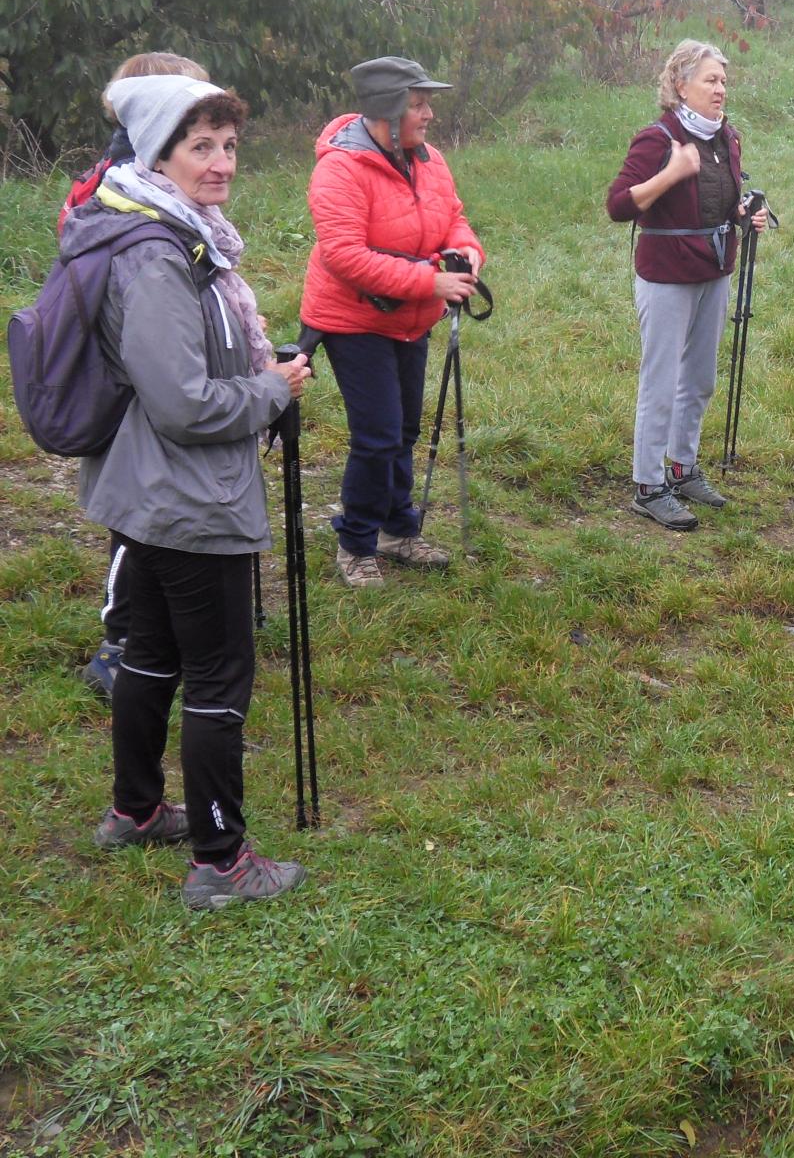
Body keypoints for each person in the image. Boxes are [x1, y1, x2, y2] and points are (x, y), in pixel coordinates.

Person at [68, 75, 313, 908]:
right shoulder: (155, 257)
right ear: (156, 154)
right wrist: (271, 391)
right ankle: (220, 862)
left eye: (229, 146)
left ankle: (135, 811)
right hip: (187, 498)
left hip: (149, 492)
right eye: (199, 146)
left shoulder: (168, 232)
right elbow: (181, 403)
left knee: (152, 655)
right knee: (217, 679)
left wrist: (254, 369)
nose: (220, 164)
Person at [59, 51, 212, 702]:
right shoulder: (117, 183)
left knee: (161, 506)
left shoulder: (151, 172)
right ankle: (119, 645)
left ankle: (164, 627)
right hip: (127, 374)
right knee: (136, 517)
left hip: (163, 356)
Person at [299, 57, 486, 588]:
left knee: (403, 427)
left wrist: (466, 253)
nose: (429, 114)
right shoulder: (339, 169)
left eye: (428, 102)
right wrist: (430, 283)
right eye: (419, 103)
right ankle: (356, 543)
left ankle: (397, 530)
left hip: (410, 318)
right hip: (352, 317)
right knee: (378, 434)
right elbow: (343, 257)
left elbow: (454, 218)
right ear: (387, 110)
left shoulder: (429, 159)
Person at [606, 40, 770, 531]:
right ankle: (648, 485)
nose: (721, 89)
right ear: (681, 84)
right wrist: (671, 173)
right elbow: (617, 206)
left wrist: (746, 215)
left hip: (713, 271)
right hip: (666, 275)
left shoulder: (727, 138)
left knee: (699, 378)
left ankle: (682, 466)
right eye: (710, 80)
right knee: (660, 382)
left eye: (723, 80)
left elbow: (721, 202)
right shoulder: (658, 139)